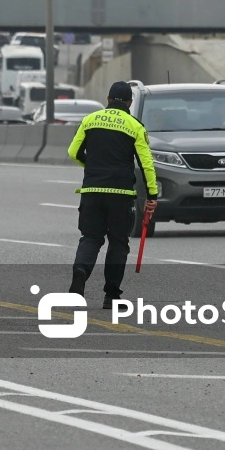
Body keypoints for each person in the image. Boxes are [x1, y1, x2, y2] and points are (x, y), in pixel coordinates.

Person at [67, 81, 159, 309]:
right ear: (129, 102)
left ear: (108, 100)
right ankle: (111, 296)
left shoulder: (90, 120)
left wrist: (92, 167)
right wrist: (152, 195)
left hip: (92, 191)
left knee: (90, 238)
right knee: (118, 243)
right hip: (121, 193)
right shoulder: (135, 125)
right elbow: (146, 164)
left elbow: (73, 152)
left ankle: (80, 272)